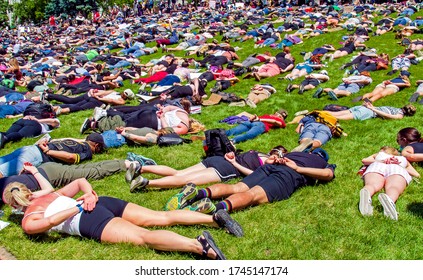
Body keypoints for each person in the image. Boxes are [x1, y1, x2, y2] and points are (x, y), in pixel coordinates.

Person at [2, 178, 244, 260]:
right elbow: (79, 182)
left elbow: (46, 224)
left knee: (143, 237)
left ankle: (199, 245)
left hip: (85, 217)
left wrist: (76, 208)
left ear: (14, 205)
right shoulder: (52, 194)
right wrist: (89, 194)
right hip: (102, 202)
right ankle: (212, 219)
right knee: (161, 217)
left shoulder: (28, 219)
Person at [164, 148, 335, 214]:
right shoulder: (323, 163)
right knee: (252, 195)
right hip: (289, 175)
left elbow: (270, 159)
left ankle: (199, 193)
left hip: (271, 166)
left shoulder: (294, 153)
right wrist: (299, 169)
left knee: (237, 187)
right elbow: (327, 174)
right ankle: (215, 208)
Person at [128, 146, 288, 196]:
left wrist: (232, 158)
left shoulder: (258, 154)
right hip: (224, 166)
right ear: (273, 154)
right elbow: (252, 174)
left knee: (179, 173)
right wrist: (233, 160)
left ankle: (141, 168)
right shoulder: (262, 160)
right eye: (275, 156)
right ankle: (146, 182)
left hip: (221, 161)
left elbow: (247, 168)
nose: (274, 159)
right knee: (183, 178)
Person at [0, 133, 105, 178]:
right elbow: (71, 157)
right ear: (96, 145)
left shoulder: (74, 142)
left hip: (30, 148)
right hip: (37, 156)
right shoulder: (87, 151)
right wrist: (48, 152)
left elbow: (57, 140)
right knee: (2, 172)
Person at [358, 146, 419, 220]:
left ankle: (367, 195)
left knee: (372, 184)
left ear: (382, 151)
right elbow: (417, 174)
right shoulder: (402, 159)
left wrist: (382, 161)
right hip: (397, 168)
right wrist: (401, 166)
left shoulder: (379, 155)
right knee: (394, 187)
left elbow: (364, 160)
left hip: (377, 166)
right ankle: (390, 200)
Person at [326, 101, 416, 121]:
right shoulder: (400, 114)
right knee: (336, 117)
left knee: (335, 114)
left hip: (365, 108)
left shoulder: (394, 108)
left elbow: (382, 110)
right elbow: (387, 116)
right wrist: (372, 108)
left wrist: (371, 106)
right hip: (369, 111)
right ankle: (320, 116)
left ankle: (316, 113)